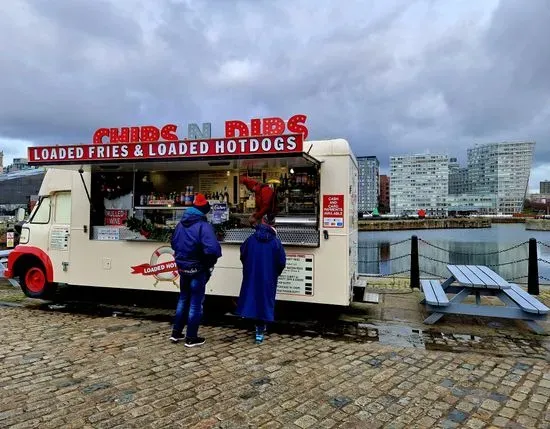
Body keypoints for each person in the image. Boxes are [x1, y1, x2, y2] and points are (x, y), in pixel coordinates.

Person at [170, 193, 222, 347]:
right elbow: (213, 249)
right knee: (195, 303)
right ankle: (191, 337)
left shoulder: (180, 224)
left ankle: (176, 333)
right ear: (204, 210)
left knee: (183, 299)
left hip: (182, 268)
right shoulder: (203, 226)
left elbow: (173, 243)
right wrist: (208, 263)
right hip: (198, 269)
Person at [236, 215, 286, 344]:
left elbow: (243, 254)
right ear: (273, 225)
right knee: (265, 299)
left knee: (253, 297)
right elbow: (281, 262)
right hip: (268, 276)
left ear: (262, 222)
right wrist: (275, 273)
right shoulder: (276, 242)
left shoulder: (250, 240)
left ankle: (257, 326)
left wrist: (248, 268)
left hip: (251, 274)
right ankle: (260, 329)